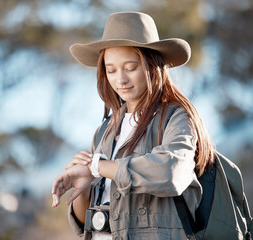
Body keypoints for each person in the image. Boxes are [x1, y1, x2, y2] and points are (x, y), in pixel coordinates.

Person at [51, 11, 215, 240]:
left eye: (130, 68)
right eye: (111, 70)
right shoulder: (104, 132)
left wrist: (97, 167)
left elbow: (170, 171)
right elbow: (86, 223)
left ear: (152, 65)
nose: (120, 79)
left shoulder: (176, 119)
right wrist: (84, 184)